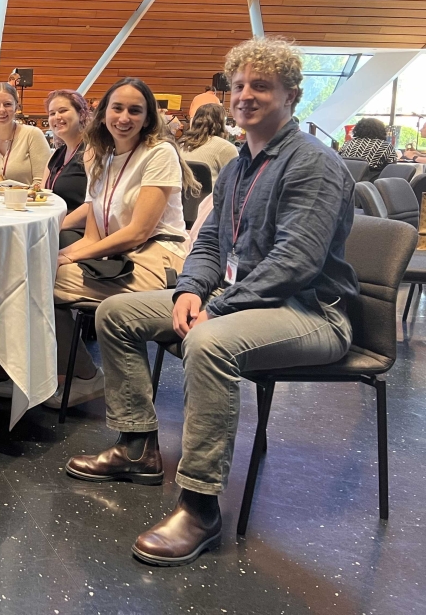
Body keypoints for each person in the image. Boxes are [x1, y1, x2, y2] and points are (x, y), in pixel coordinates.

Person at [66, 37, 357, 566]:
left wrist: (216, 307)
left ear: (291, 95)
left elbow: (296, 263)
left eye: (261, 86)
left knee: (208, 342)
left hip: (311, 311)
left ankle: (199, 506)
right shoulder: (238, 165)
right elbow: (207, 242)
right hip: (241, 298)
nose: (246, 96)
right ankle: (137, 446)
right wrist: (190, 290)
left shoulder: (311, 164)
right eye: (239, 86)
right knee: (117, 313)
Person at [22, 78, 196, 411]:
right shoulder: (104, 158)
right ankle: (51, 374)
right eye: (117, 108)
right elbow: (92, 236)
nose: (124, 117)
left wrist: (61, 259)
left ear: (147, 119)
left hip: (160, 258)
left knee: (38, 279)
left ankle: (84, 377)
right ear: (103, 114)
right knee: (34, 269)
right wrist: (62, 255)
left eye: (135, 110)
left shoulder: (160, 153)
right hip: (120, 256)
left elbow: (138, 232)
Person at [0, 83, 51, 187]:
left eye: (7, 104)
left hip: (27, 202)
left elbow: (41, 183)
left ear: (16, 108)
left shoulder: (32, 135)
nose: (1, 110)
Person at [42, 89, 90, 214]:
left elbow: (95, 205)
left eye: (63, 111)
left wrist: (56, 226)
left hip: (75, 228)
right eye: (52, 113)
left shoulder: (91, 151)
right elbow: (41, 194)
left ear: (82, 114)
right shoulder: (57, 154)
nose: (57, 117)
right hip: (53, 222)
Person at [178, 103, 240, 185]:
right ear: (221, 122)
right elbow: (235, 183)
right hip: (213, 197)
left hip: (183, 196)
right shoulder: (226, 148)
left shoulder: (180, 144)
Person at [339, 117, 397, 181]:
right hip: (369, 184)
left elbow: (338, 159)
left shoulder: (348, 143)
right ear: (381, 130)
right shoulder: (385, 145)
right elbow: (392, 168)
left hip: (344, 180)